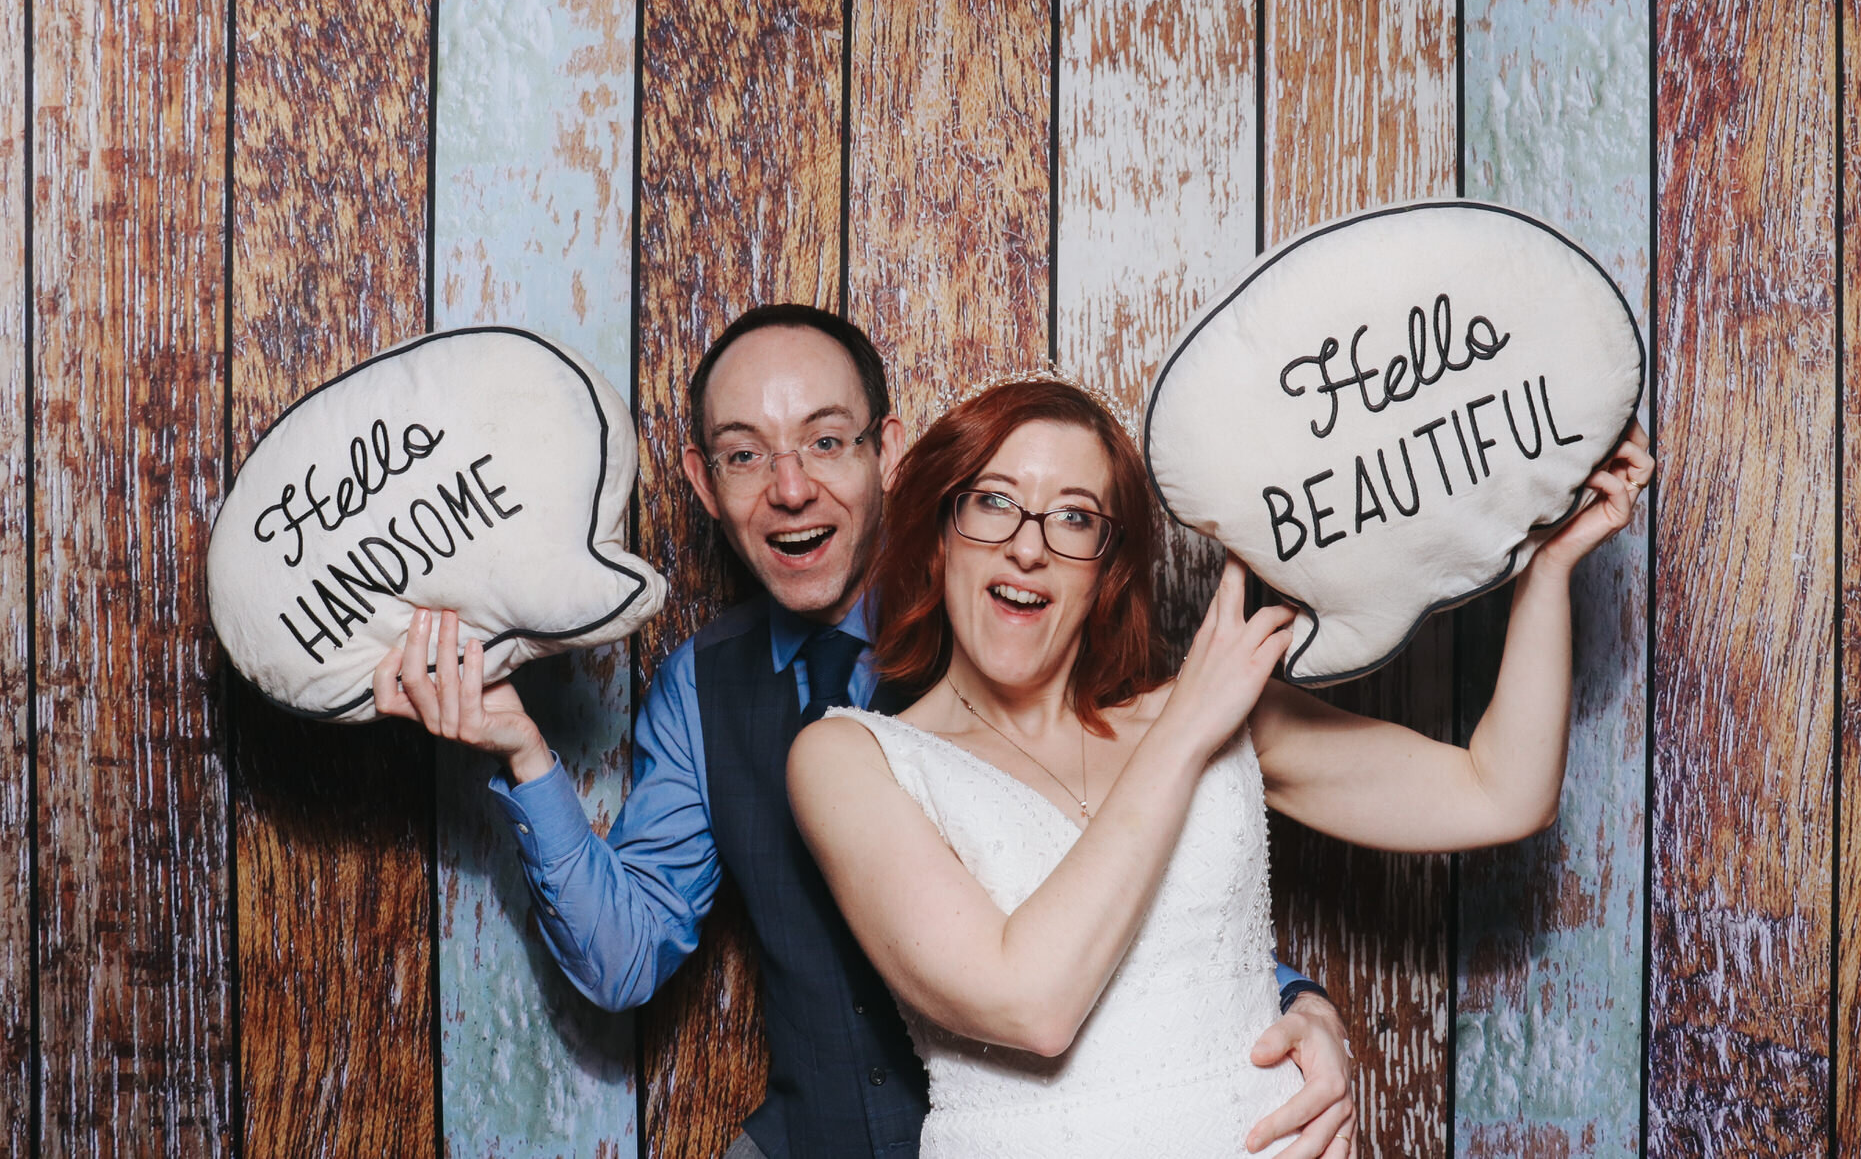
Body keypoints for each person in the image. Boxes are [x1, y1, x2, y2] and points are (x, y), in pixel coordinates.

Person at [372, 306, 1358, 1159]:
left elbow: (1150, 802)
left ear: (889, 450)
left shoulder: (1010, 604)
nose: (789, 486)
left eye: (827, 440)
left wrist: (1288, 997)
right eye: (744, 453)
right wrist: (524, 751)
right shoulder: (701, 687)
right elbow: (624, 958)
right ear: (703, 484)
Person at [786, 377, 1653, 1155]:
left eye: (1075, 516)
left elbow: (1500, 792)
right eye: (993, 502)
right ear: (940, 538)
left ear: (1107, 573)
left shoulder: (1218, 706)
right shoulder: (851, 760)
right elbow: (1031, 1005)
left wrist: (1546, 568)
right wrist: (1189, 723)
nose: (1028, 545)